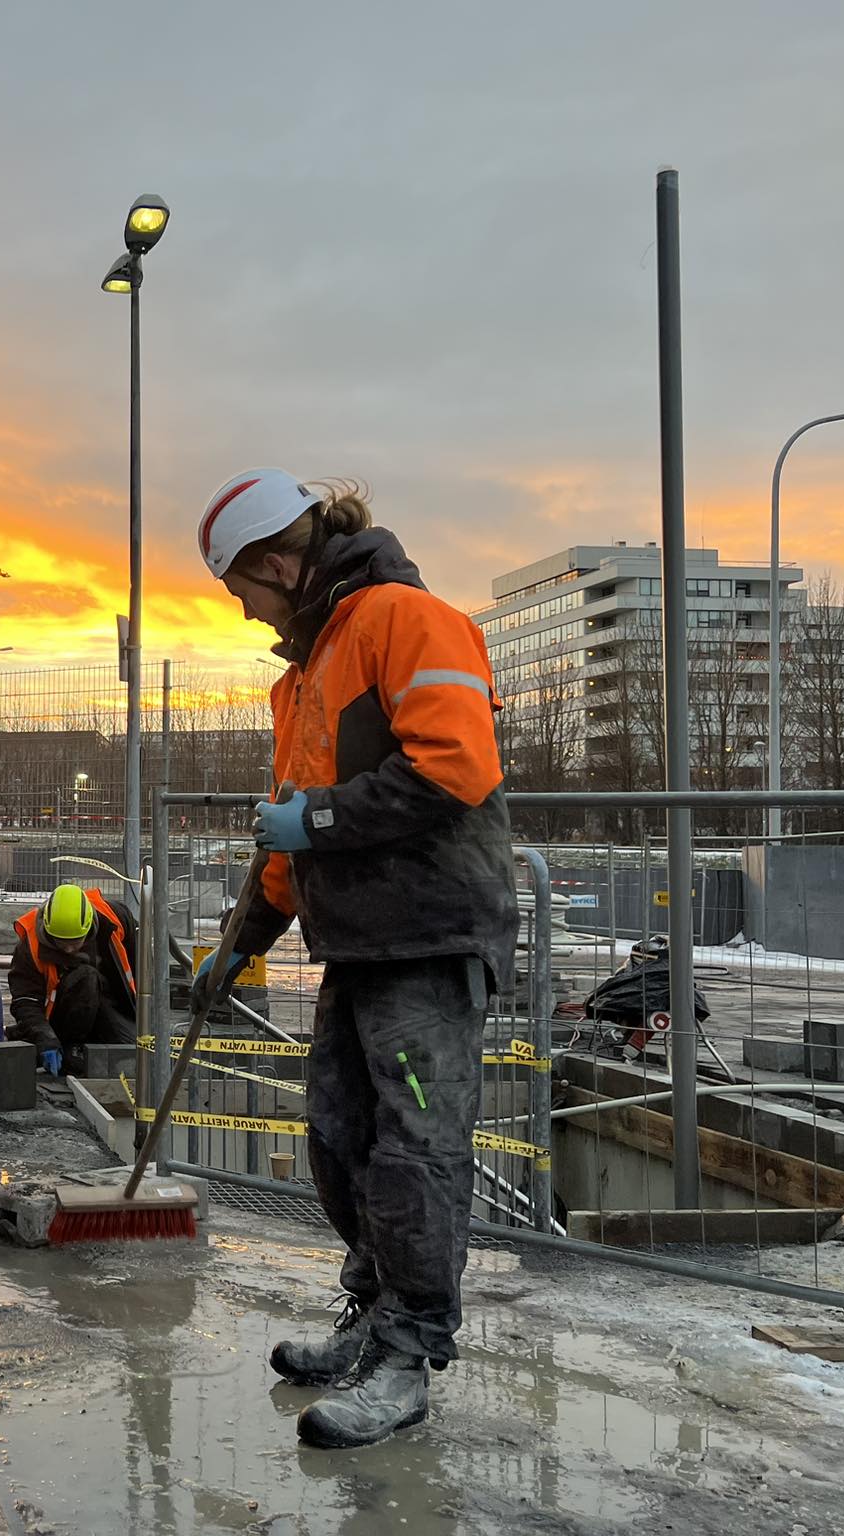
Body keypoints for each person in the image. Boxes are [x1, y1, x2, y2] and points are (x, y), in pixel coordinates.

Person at [190, 468, 516, 1449]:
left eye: (240, 589)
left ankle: (407, 1356)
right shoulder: (305, 674)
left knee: (415, 1149)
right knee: (340, 1141)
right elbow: (288, 847)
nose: (245, 611)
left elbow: (454, 765)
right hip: (361, 944)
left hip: (429, 933)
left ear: (276, 563)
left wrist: (318, 818)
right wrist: (237, 949)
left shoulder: (408, 620)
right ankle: (373, 1316)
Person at [6, 883, 139, 1076]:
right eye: (61, 942)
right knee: (86, 977)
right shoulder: (30, 945)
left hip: (109, 1003)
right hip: (63, 1019)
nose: (68, 949)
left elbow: (143, 970)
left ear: (89, 926)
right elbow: (25, 1001)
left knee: (131, 1054)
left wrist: (146, 1021)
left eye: (75, 942)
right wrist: (45, 1038)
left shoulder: (115, 919)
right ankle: (72, 1048)